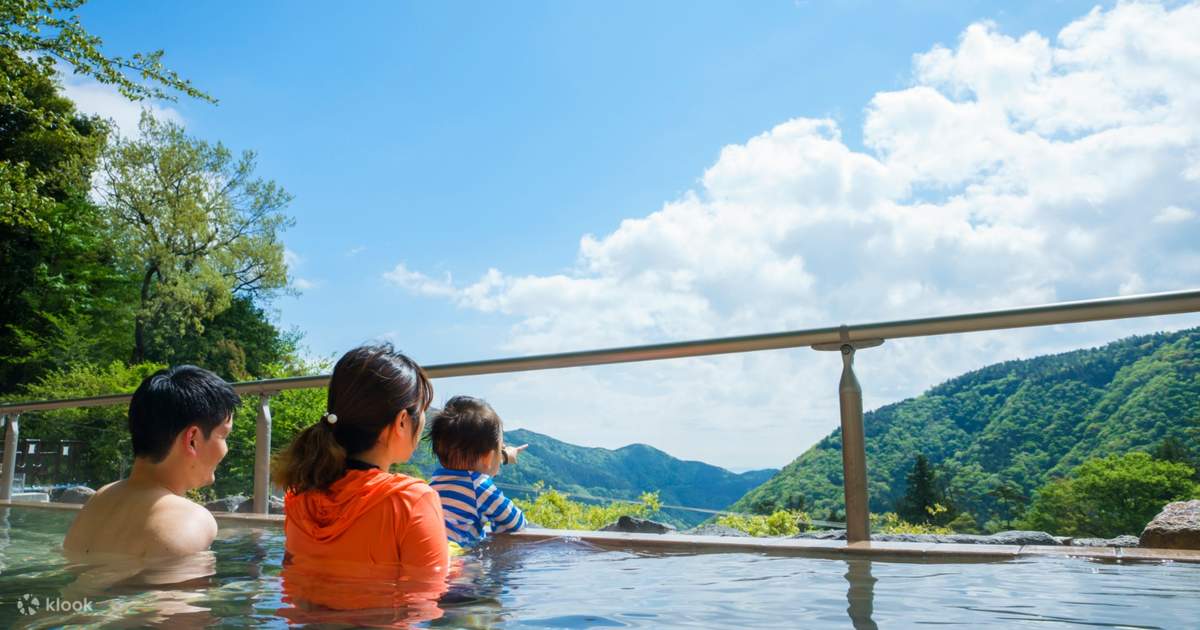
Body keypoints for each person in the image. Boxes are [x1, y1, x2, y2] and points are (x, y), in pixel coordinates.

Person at [272, 344, 448, 574]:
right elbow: (429, 592)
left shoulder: (300, 499)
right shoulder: (410, 501)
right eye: (423, 409)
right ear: (402, 421)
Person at [63, 365, 239, 558]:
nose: (226, 449)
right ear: (192, 439)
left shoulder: (100, 498)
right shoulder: (189, 520)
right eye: (224, 436)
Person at [429, 395, 528, 546]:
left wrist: (502, 456)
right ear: (488, 456)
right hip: (456, 556)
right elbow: (516, 522)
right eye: (500, 448)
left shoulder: (434, 483)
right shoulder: (479, 487)